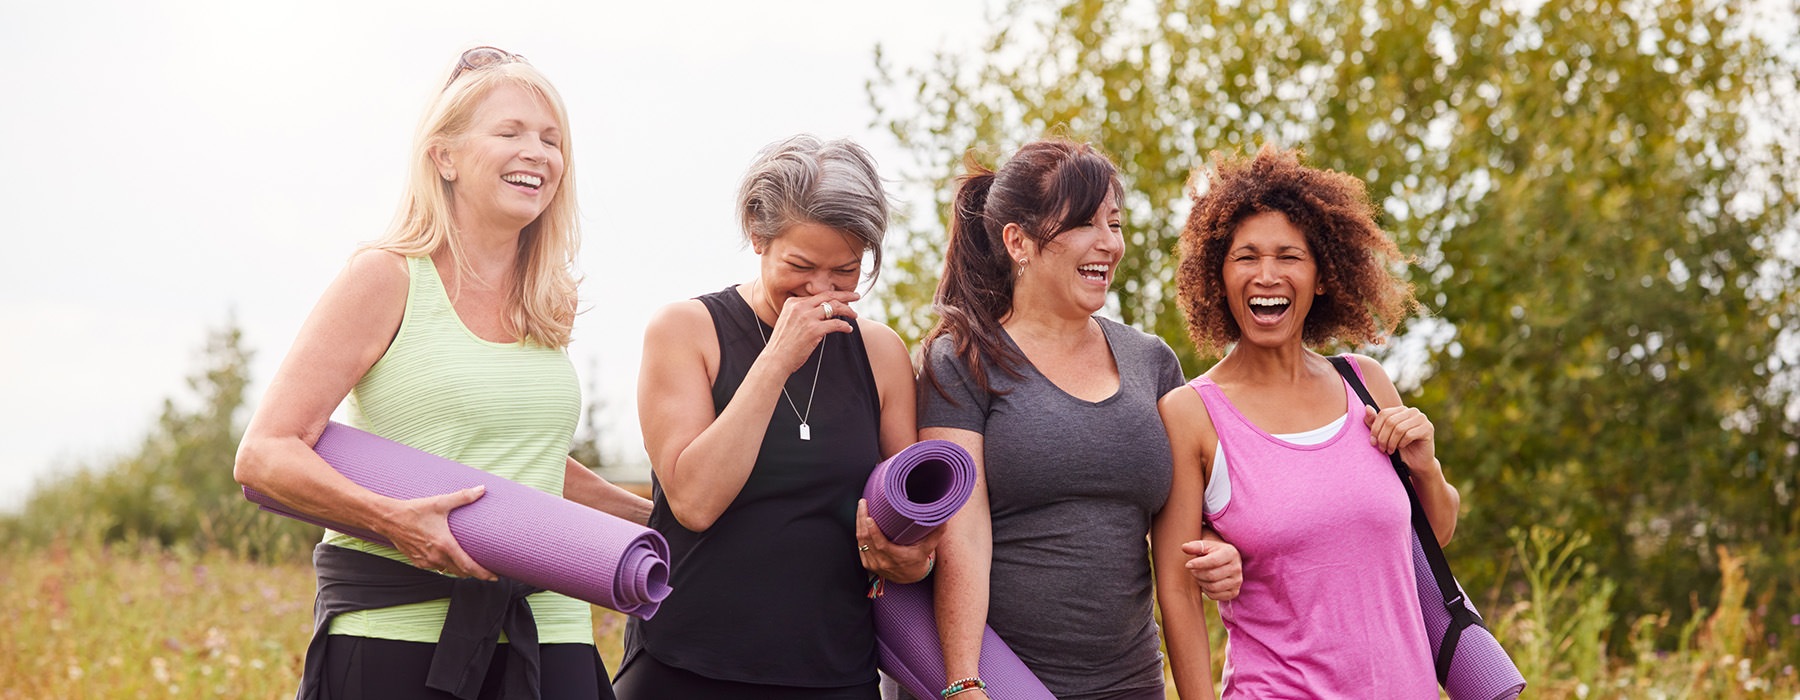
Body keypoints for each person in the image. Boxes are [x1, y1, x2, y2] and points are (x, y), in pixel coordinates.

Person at [234, 47, 649, 700]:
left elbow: (526, 463)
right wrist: (392, 519)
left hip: (551, 634)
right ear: (445, 156)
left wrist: (655, 518)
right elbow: (264, 455)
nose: (537, 153)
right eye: (510, 133)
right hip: (398, 638)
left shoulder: (547, 299)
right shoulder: (386, 277)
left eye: (551, 139)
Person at [916, 139, 1242, 700]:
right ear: (1018, 241)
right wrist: (964, 680)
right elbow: (960, 534)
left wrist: (1222, 549)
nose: (1109, 244)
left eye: (1114, 223)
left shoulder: (1153, 361)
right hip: (1002, 681)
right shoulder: (963, 358)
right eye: (1085, 224)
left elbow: (1185, 523)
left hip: (1129, 682)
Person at [615, 135, 938, 700]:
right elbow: (694, 501)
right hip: (684, 666)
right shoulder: (685, 331)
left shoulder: (881, 354)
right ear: (758, 235)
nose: (821, 289)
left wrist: (911, 558)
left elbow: (908, 514)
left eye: (845, 271)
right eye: (801, 265)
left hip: (835, 672)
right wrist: (777, 360)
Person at [1153, 144, 1458, 698]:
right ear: (1219, 276)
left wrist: (1427, 468)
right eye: (1245, 257)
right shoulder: (1191, 413)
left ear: (1321, 278)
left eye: (1289, 257)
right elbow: (1175, 587)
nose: (1266, 275)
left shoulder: (1366, 382)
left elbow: (1426, 542)